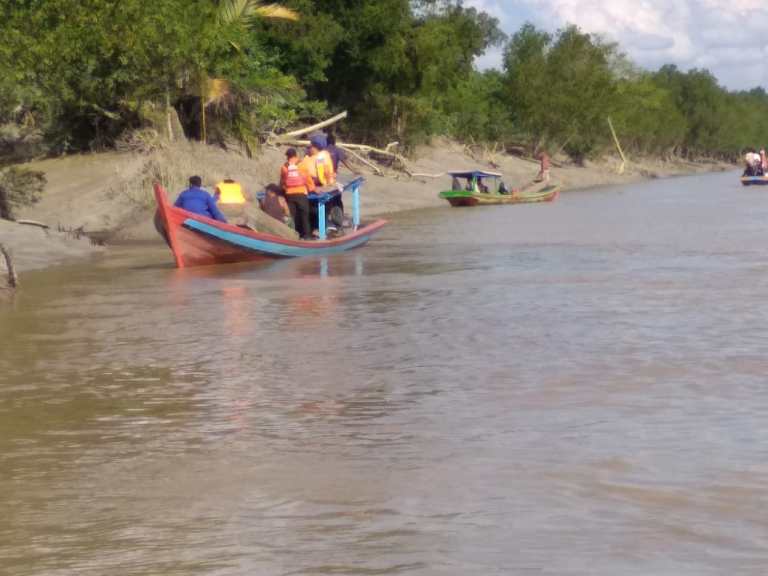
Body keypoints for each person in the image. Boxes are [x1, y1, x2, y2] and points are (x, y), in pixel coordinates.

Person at [281, 148, 315, 239]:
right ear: (296, 156)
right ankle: (307, 236)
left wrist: (285, 190)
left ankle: (293, 236)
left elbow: (283, 182)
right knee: (304, 215)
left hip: (289, 195)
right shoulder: (302, 165)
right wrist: (312, 188)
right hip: (301, 193)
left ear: (287, 157)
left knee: (292, 216)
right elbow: (308, 180)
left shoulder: (284, 167)